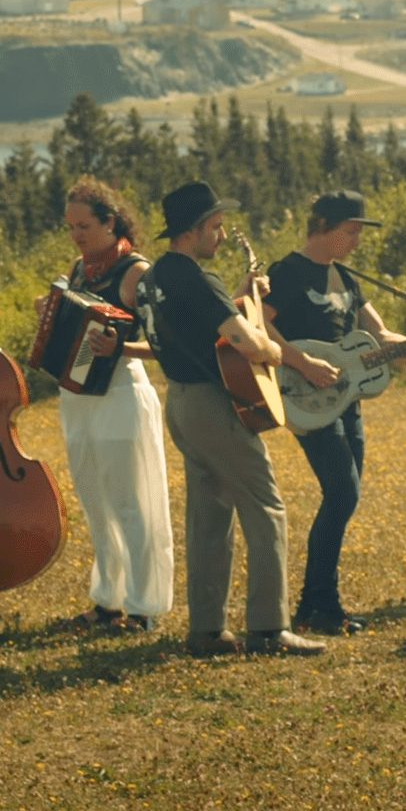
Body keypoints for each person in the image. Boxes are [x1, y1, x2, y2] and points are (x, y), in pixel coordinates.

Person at [135, 181, 325, 657]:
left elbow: (198, 325)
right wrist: (273, 351)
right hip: (213, 408)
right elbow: (246, 343)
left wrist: (244, 298)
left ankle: (207, 629)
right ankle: (269, 629)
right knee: (266, 507)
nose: (220, 237)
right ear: (193, 230)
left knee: (209, 516)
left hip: (180, 403)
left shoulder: (154, 278)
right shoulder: (197, 278)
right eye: (216, 227)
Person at [266, 189, 406, 635]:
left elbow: (380, 336)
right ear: (322, 227)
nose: (356, 241)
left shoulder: (346, 278)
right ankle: (322, 606)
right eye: (350, 232)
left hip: (347, 401)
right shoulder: (288, 272)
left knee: (343, 497)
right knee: (342, 492)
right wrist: (302, 362)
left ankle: (314, 606)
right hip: (307, 399)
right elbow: (258, 325)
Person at [54, 178, 175, 633]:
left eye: (84, 226)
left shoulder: (137, 272)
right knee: (95, 500)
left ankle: (144, 608)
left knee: (130, 501)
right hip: (78, 393)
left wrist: (120, 347)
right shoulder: (79, 269)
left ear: (110, 222)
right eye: (71, 227)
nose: (76, 235)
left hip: (121, 392)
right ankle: (108, 600)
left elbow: (167, 343)